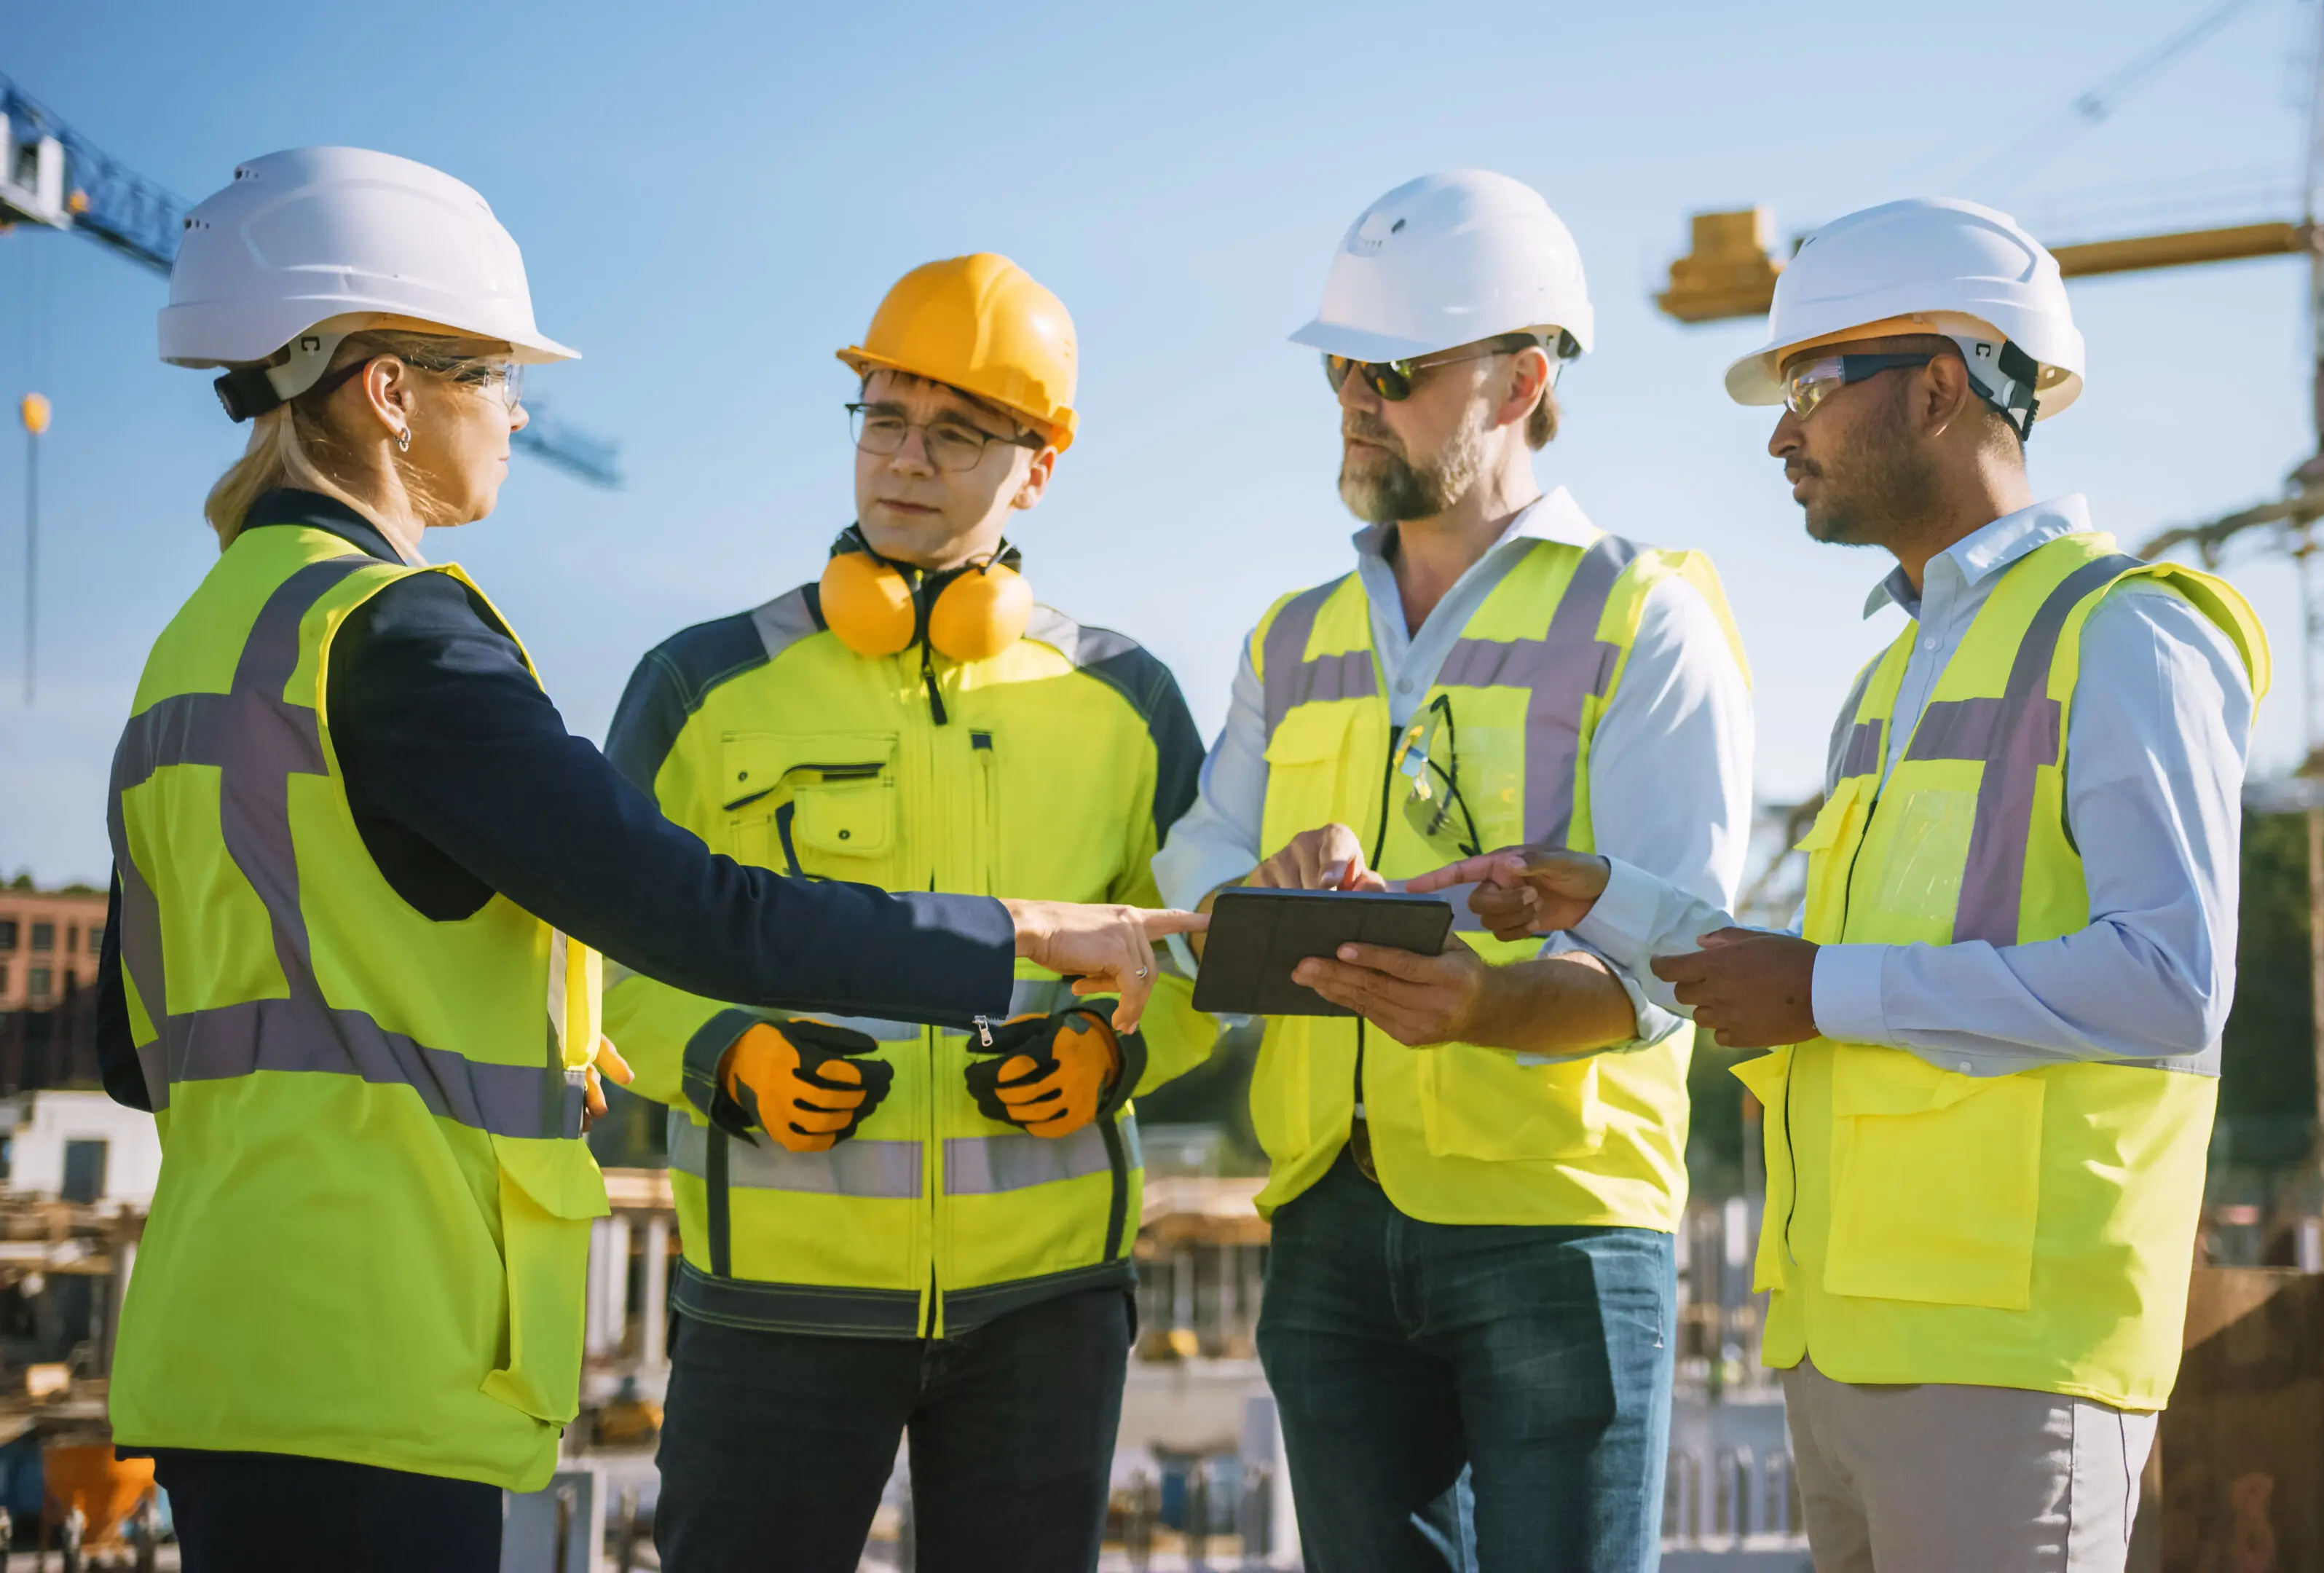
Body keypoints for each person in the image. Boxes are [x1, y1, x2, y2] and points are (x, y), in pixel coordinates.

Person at [95, 147, 1197, 1573]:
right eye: (491, 376)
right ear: (388, 393)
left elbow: (138, 1050)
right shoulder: (401, 638)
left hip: (222, 1323)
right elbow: (676, 909)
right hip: (371, 1323)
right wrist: (1014, 940)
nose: (514, 411)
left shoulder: (213, 633)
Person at [1411, 197, 2270, 1573]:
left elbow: (2169, 986)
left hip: (2014, 1343)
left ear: (1941, 386)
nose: (1779, 429)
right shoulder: (1892, 674)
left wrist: (1819, 989)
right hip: (1852, 1338)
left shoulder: (2126, 636)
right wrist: (1604, 900)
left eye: (1811, 384)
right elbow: (1810, 987)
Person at [1152, 170, 1755, 1571]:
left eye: (1400, 372)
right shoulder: (1290, 635)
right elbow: (1201, 864)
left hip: (1556, 1218)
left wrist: (1486, 1008)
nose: (1360, 398)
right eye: (1346, 369)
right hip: (1327, 1209)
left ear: (1521, 378)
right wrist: (1271, 884)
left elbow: (1680, 961)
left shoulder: (1641, 616)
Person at [602, 253, 1216, 1572]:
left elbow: (1203, 957)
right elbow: (593, 953)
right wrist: (720, 1056)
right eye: (884, 416)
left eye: (957, 432)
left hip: (1047, 1313)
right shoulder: (702, 687)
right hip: (776, 1305)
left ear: (1038, 465)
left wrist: (1122, 1051)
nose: (907, 458)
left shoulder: (1126, 700)